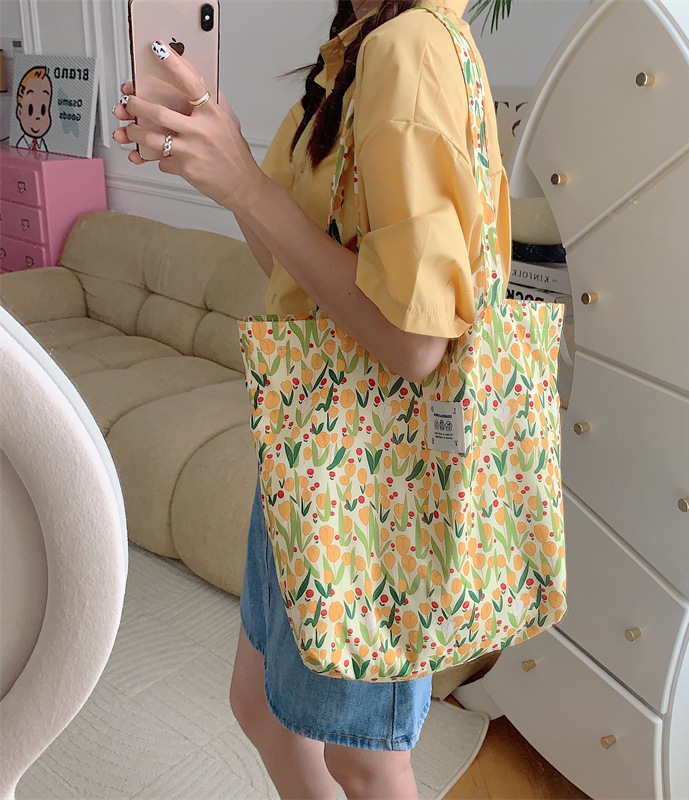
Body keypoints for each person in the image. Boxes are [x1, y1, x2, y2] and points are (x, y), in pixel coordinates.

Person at [112, 1, 510, 797]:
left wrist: (248, 185)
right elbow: (292, 268)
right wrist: (226, 174)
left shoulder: (410, 45)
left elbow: (416, 343)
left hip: (376, 474)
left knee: (364, 758)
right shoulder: (357, 47)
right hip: (311, 446)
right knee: (261, 708)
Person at [15, 65, 52, 152]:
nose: (37, 118)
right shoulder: (20, 145)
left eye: (43, 110)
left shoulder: (44, 146)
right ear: (19, 112)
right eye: (30, 110)